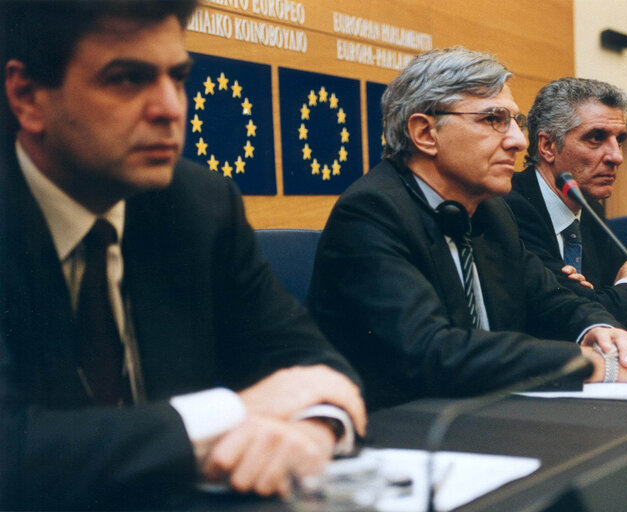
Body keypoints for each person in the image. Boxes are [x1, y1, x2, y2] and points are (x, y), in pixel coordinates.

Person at [0, 1, 366, 509]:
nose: (171, 108)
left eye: (179, 77)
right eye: (127, 79)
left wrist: (313, 428)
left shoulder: (199, 205)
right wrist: (225, 413)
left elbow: (312, 368)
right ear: (27, 98)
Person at [306, 47, 627, 411]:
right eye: (494, 120)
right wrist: (593, 364)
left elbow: (551, 301)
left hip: (489, 411)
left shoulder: (491, 211)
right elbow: (435, 350)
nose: (518, 141)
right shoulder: (371, 213)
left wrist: (603, 335)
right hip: (404, 428)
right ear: (425, 133)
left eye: (516, 122)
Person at [503, 77, 627, 331]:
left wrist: (621, 293)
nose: (617, 157)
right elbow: (565, 315)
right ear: (548, 146)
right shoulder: (510, 207)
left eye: (620, 139)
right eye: (596, 138)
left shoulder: (588, 208)